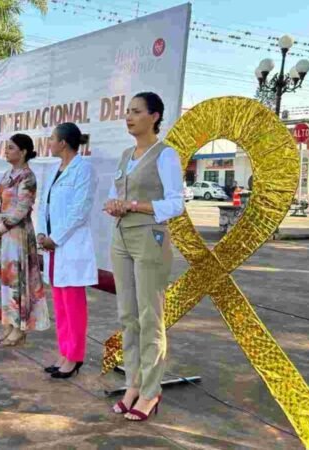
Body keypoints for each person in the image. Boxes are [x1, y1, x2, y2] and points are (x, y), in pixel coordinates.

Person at [103, 92, 185, 422]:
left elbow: (177, 203)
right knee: (128, 315)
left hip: (150, 235)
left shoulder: (165, 155)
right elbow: (116, 193)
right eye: (127, 112)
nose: (129, 117)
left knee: (151, 317)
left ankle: (151, 391)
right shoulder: (126, 155)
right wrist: (113, 204)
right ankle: (132, 384)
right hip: (121, 236)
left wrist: (135, 206)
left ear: (154, 116)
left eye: (136, 112)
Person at [37, 122, 98, 379]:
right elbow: (43, 204)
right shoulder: (53, 170)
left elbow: (79, 211)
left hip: (69, 246)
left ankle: (75, 357)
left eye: (52, 139)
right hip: (53, 248)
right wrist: (41, 232)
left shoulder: (84, 169)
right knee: (60, 304)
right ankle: (64, 352)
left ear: (63, 143)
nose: (49, 143)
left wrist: (56, 238)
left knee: (73, 305)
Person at [0, 133, 49, 347]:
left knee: (16, 280)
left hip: (17, 234)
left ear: (23, 152)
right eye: (7, 147)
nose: (7, 151)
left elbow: (22, 208)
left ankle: (19, 328)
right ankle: (7, 323)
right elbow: (1, 203)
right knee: (4, 279)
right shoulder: (8, 174)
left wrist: (2, 227)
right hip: (4, 234)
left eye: (11, 148)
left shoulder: (27, 176)